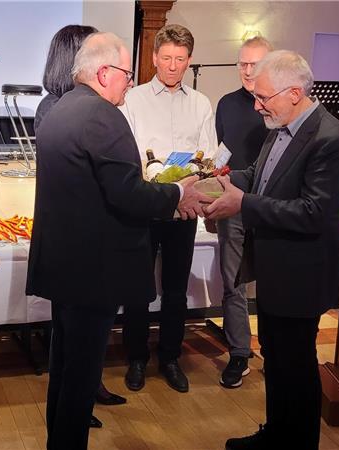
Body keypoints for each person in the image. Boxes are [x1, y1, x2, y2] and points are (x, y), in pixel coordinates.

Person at [26, 31, 212, 449]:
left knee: (65, 371)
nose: (131, 82)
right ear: (104, 72)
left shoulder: (60, 108)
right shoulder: (102, 115)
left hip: (65, 266)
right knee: (80, 377)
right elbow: (129, 193)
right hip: (93, 271)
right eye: (127, 74)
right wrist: (179, 193)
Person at [204, 50, 339, 450]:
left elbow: (315, 212)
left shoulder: (331, 139)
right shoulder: (281, 124)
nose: (256, 105)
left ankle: (298, 443)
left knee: (297, 366)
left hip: (301, 274)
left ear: (293, 92)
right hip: (275, 269)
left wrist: (243, 204)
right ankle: (276, 434)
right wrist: (215, 182)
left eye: (263, 97)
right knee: (276, 358)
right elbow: (258, 176)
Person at [36, 24, 127, 424]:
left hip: (66, 256)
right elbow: (118, 192)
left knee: (70, 359)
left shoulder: (58, 109)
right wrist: (175, 196)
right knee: (76, 360)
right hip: (87, 260)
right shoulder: (89, 111)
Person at [119, 24, 216, 393]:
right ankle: (136, 359)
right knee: (139, 288)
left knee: (176, 289)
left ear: (189, 60)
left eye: (180, 59)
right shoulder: (134, 99)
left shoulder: (200, 103)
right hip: (145, 206)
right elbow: (127, 154)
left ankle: (171, 357)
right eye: (166, 58)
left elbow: (207, 156)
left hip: (184, 209)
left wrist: (194, 183)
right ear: (154, 58)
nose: (173, 66)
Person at [212, 36, 273, 389]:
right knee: (233, 282)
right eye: (243, 64)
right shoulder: (226, 104)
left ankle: (271, 348)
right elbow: (222, 154)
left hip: (270, 208)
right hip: (232, 205)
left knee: (271, 282)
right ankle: (238, 353)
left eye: (255, 64)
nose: (248, 71)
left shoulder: (281, 106)